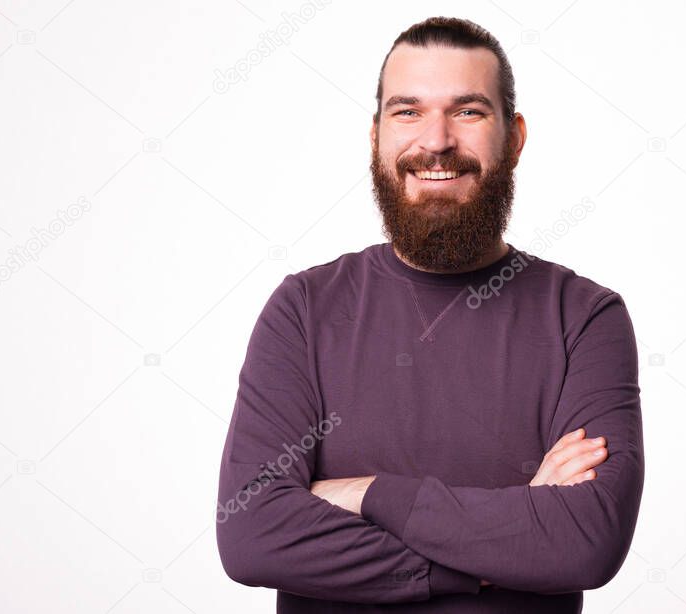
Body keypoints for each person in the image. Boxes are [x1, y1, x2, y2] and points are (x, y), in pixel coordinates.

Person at [216, 16, 644, 613]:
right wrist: (500, 551)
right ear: (375, 137)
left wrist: (367, 494)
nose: (436, 141)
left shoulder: (584, 318)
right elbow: (252, 536)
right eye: (407, 111)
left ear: (514, 138)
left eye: (468, 111)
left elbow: (584, 542)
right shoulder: (303, 310)